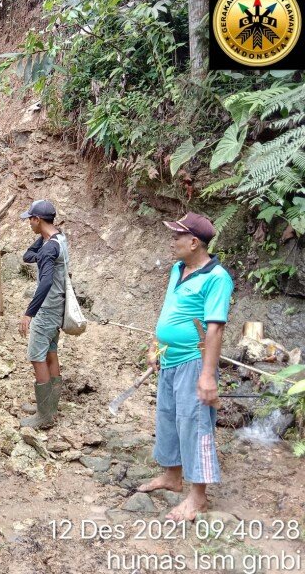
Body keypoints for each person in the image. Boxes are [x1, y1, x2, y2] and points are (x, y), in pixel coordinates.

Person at [138, 213, 233, 522]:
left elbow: (215, 329)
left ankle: (198, 497)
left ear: (194, 242)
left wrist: (207, 376)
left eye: (177, 236)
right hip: (169, 358)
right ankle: (172, 476)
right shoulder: (178, 269)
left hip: (194, 361)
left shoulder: (217, 278)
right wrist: (155, 346)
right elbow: (168, 309)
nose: (172, 241)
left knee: (194, 423)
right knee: (168, 417)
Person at [18, 200, 68, 430]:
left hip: (47, 309)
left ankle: (44, 415)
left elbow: (45, 282)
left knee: (37, 356)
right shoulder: (57, 239)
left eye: (31, 219)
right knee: (50, 353)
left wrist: (29, 313)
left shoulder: (49, 248)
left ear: (37, 219)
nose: (29, 223)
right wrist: (42, 241)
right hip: (57, 305)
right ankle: (49, 405)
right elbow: (27, 256)